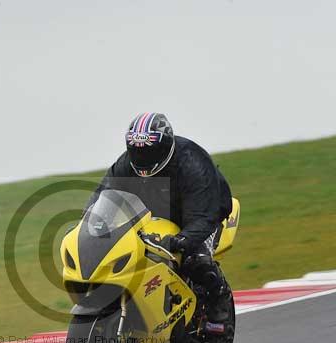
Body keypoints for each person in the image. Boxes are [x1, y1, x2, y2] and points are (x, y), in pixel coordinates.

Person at [84, 112, 234, 322]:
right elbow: (105, 193)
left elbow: (204, 213)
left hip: (206, 209)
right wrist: (91, 225)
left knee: (195, 259)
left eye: (150, 151)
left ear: (165, 147)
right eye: (137, 150)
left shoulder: (192, 162)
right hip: (158, 211)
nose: (143, 157)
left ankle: (219, 297)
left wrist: (183, 240)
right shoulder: (127, 164)